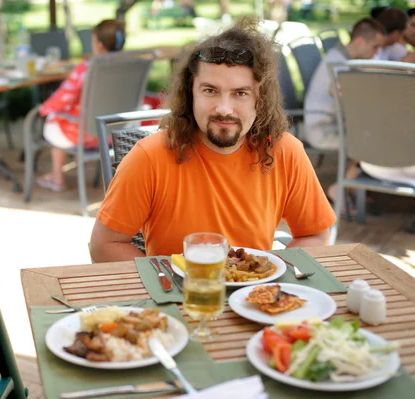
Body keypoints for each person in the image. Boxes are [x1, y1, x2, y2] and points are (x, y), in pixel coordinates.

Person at [89, 18, 336, 261]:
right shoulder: (149, 156)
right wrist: (169, 281)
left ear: (259, 100)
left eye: (240, 93)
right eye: (210, 91)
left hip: (251, 299)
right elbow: (103, 246)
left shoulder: (286, 152)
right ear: (190, 93)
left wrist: (270, 273)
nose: (224, 109)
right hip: (179, 298)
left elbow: (314, 234)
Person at [303, 18, 385, 209]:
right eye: (375, 47)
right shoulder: (338, 64)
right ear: (359, 42)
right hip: (323, 130)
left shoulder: (342, 57)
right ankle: (341, 188)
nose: (376, 53)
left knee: (373, 133)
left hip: (334, 123)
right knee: (374, 139)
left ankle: (353, 184)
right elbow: (352, 104)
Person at [36, 19, 126, 192]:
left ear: (99, 45)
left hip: (85, 133)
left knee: (54, 118)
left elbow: (63, 97)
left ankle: (57, 178)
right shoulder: (129, 64)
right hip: (115, 133)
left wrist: (44, 108)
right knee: (63, 114)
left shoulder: (87, 68)